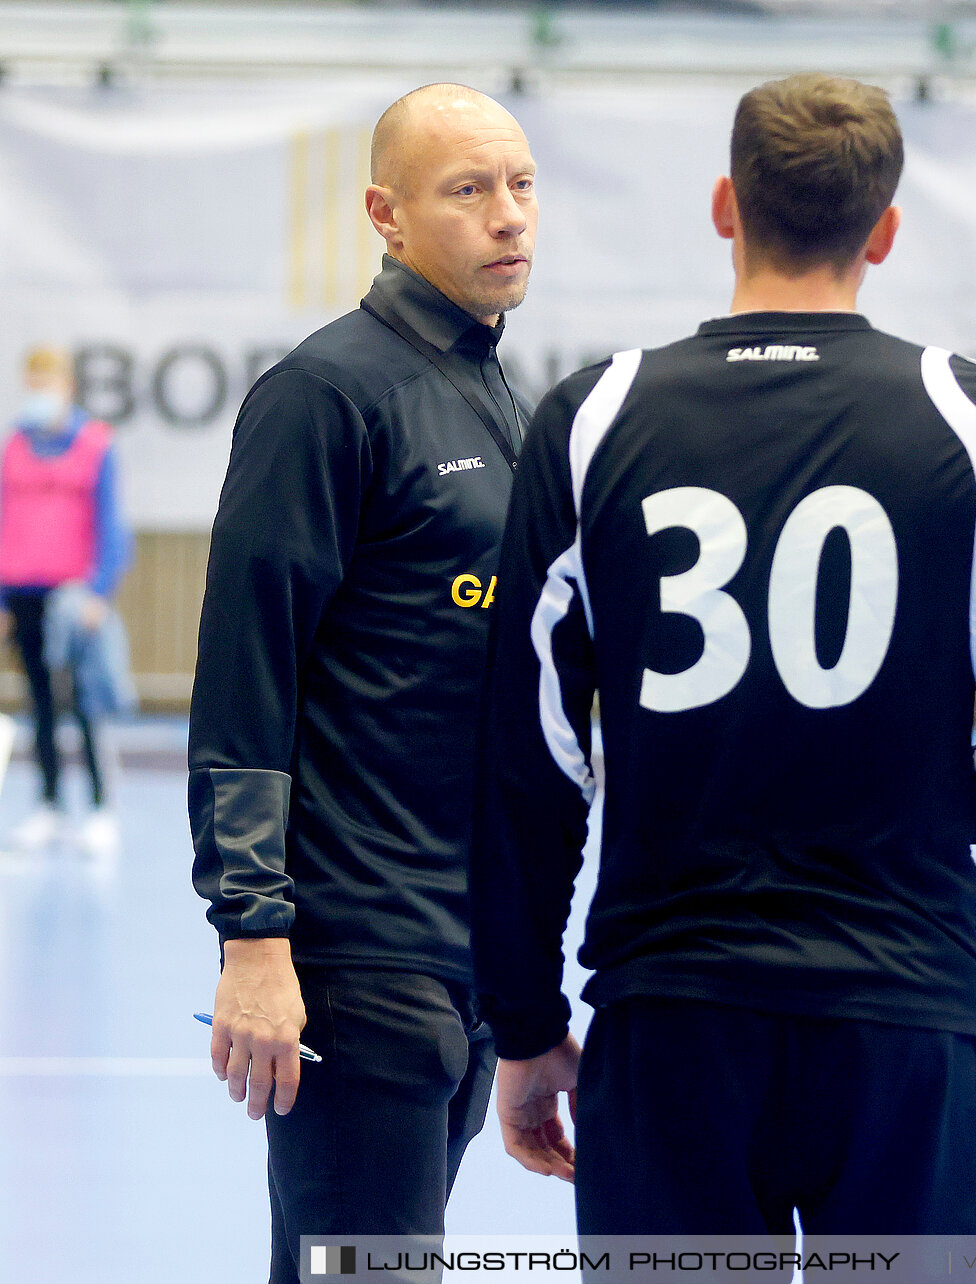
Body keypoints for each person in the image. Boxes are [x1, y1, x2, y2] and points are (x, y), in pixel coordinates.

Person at [471, 72, 976, 1234]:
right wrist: (924, 801)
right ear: (886, 229)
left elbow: (530, 753)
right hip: (904, 1012)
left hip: (672, 1020)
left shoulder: (596, 415)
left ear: (726, 206)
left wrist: (521, 1023)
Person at [188, 84, 536, 1282]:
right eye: (469, 190)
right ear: (387, 215)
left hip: (466, 955)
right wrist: (254, 936)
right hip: (352, 958)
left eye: (522, 186)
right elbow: (246, 675)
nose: (508, 217)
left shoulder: (500, 397)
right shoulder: (327, 396)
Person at [0, 344, 132, 854]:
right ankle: (49, 805)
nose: (39, 394)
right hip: (23, 593)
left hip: (76, 598)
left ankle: (100, 809)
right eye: (31, 384)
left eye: (47, 384)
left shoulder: (95, 444)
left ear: (68, 387)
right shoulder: (14, 445)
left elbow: (111, 525)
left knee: (84, 701)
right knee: (39, 701)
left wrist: (100, 590)